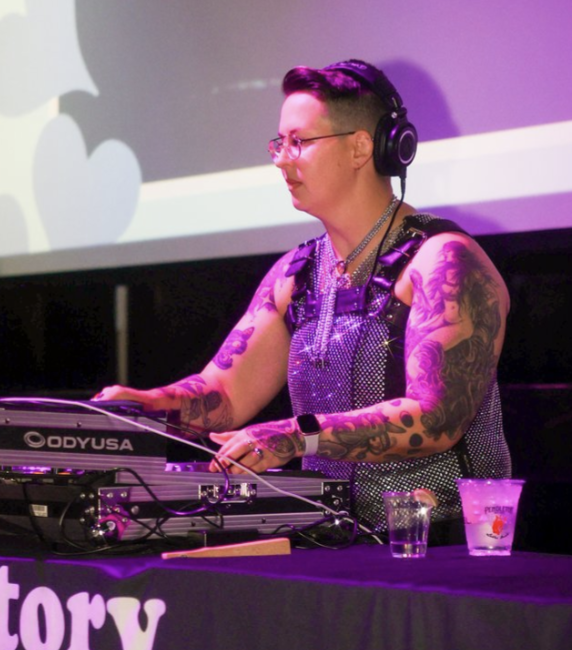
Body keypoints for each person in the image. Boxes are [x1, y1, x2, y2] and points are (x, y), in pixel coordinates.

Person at [95, 59, 511, 542]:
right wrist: (146, 405)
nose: (281, 158)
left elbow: (438, 416)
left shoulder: (443, 261)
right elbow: (224, 395)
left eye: (299, 142)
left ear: (361, 147)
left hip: (442, 545)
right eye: (279, 143)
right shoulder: (298, 273)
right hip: (332, 540)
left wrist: (297, 434)